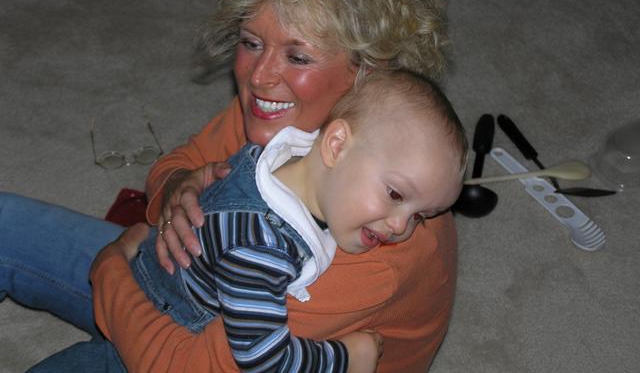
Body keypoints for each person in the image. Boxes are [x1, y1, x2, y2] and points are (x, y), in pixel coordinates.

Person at [0, 0, 457, 372]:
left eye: (297, 57)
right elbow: (178, 162)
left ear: (368, 71)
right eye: (251, 43)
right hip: (183, 285)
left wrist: (110, 270)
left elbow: (186, 366)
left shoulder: (376, 234)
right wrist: (178, 191)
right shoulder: (289, 122)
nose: (259, 77)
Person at [44, 70, 467, 373]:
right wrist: (344, 358)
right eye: (395, 196)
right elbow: (263, 358)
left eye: (420, 216)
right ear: (336, 145)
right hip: (159, 322)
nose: (401, 227)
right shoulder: (262, 248)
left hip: (155, 273)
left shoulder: (286, 155)